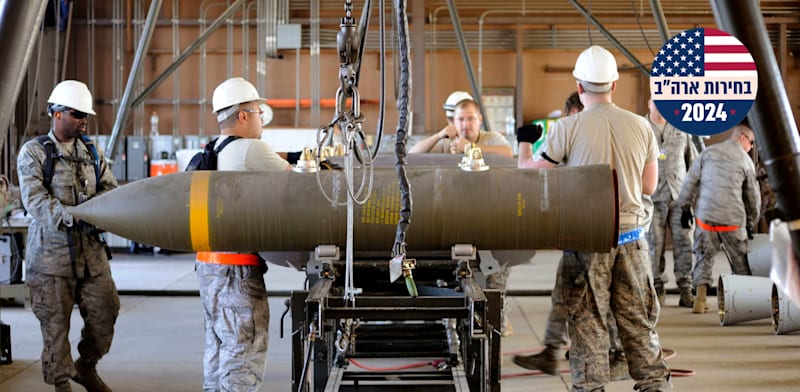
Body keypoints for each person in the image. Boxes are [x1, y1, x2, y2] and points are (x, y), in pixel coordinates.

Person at [516, 46, 671, 391]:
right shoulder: (642, 126)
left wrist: (524, 146)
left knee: (588, 327)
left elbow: (532, 177)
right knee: (638, 325)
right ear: (614, 85)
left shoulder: (566, 128)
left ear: (579, 86)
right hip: (632, 241)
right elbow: (649, 185)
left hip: (587, 245)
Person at [513, 92, 628, 380]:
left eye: (570, 116)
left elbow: (528, 173)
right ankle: (553, 351)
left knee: (602, 296)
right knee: (567, 293)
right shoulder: (615, 131)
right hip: (595, 230)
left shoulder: (578, 133)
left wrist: (524, 142)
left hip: (596, 232)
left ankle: (616, 356)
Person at [17, 80, 119, 392]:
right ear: (57, 114)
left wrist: (107, 212)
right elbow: (35, 200)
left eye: (85, 115)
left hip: (92, 258)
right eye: (76, 114)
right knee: (55, 329)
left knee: (106, 312)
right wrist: (76, 216)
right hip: (50, 262)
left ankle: (85, 367)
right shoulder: (33, 153)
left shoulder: (92, 150)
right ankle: (62, 383)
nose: (83, 120)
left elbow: (109, 188)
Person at [196, 77, 291, 392]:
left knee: (219, 346)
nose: (261, 119)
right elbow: (297, 181)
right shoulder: (251, 149)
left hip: (209, 268)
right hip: (237, 271)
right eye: (258, 111)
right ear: (242, 116)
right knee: (244, 350)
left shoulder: (212, 150)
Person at [677, 121, 760, 314]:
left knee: (703, 257)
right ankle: (743, 304)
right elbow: (752, 197)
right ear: (742, 138)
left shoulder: (708, 153)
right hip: (732, 221)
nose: (751, 147)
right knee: (741, 262)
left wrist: (684, 208)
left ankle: (700, 300)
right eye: (751, 142)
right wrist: (751, 222)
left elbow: (690, 181)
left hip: (705, 219)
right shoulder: (745, 161)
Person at [645, 98, 701, 307]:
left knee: (684, 243)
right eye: (655, 102)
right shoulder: (641, 128)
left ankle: (685, 288)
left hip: (680, 197)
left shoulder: (681, 128)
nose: (659, 106)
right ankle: (656, 288)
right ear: (649, 103)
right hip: (652, 198)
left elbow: (693, 163)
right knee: (653, 246)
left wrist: (693, 197)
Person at [409, 95, 513, 158]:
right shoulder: (446, 143)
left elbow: (509, 153)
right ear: (454, 121)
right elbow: (412, 155)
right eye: (461, 119)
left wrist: (471, 148)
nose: (466, 124)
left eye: (471, 118)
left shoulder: (492, 138)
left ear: (480, 120)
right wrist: (438, 136)